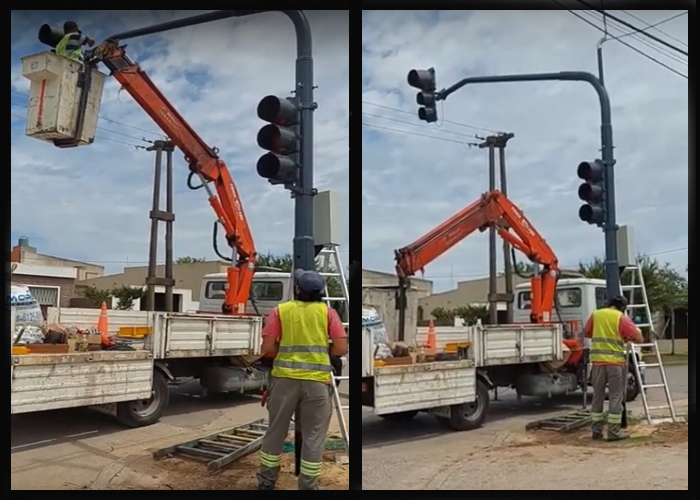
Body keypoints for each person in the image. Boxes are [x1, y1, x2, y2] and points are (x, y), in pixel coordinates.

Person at [257, 269, 348, 491]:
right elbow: (341, 347)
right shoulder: (327, 313)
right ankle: (308, 487)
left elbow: (267, 347)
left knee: (275, 432)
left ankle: (266, 483)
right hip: (317, 384)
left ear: (298, 289)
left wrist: (284, 346)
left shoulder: (281, 311)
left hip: (284, 382)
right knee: (314, 437)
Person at [584, 295, 643, 441]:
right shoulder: (621, 318)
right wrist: (626, 337)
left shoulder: (596, 315)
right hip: (615, 363)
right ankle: (614, 432)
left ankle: (596, 431)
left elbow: (587, 332)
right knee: (615, 397)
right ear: (623, 307)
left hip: (597, 362)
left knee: (597, 396)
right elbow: (638, 338)